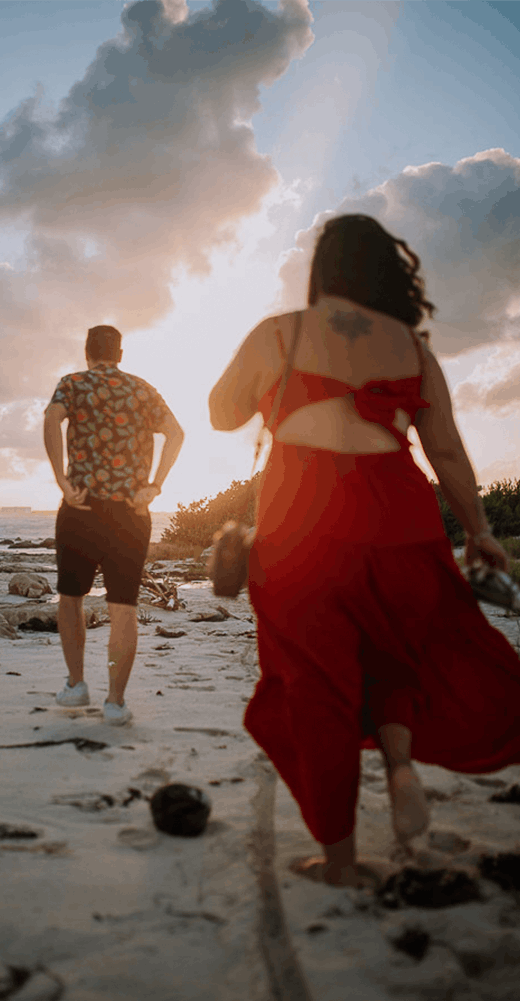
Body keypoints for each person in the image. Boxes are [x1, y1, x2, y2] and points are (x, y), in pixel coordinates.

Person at [208, 213, 520, 888]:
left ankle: (342, 857)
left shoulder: (281, 331)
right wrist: (480, 530)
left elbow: (221, 411)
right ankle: (401, 767)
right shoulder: (412, 346)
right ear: (386, 274)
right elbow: (448, 452)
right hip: (401, 512)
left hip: (303, 514)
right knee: (395, 644)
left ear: (322, 271)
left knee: (315, 679)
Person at [43, 325, 186, 726]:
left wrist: (61, 480)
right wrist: (155, 485)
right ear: (119, 353)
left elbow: (51, 421)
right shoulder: (142, 389)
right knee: (123, 608)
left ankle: (76, 685)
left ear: (87, 351)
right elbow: (176, 433)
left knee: (71, 599)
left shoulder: (72, 384)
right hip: (130, 514)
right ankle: (115, 702)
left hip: (81, 508)